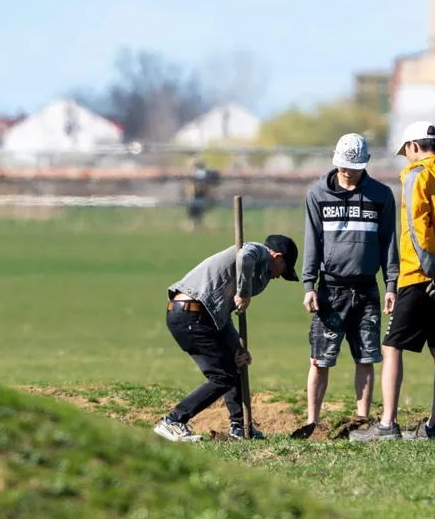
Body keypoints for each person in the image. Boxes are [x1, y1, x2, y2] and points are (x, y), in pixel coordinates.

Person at [349, 121, 435, 442]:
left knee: (391, 347)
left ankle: (387, 425)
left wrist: (433, 270)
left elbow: (418, 227)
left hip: (419, 274)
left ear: (413, 146)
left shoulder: (416, 175)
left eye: (406, 151)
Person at [154, 235, 300, 442]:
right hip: (190, 314)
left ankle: (240, 428)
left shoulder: (253, 270)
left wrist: (237, 347)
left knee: (235, 363)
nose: (277, 277)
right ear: (277, 257)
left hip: (200, 315)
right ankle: (172, 421)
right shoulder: (257, 250)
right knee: (222, 376)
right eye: (282, 271)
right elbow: (244, 256)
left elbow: (220, 314)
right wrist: (245, 292)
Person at [298, 133, 399, 432]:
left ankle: (362, 420)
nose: (346, 171)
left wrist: (390, 285)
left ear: (365, 164)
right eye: (342, 165)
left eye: (352, 166)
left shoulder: (381, 196)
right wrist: (309, 285)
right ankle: (311, 422)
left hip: (367, 288)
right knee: (320, 360)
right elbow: (312, 242)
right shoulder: (316, 195)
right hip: (330, 290)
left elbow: (389, 243)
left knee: (366, 357)